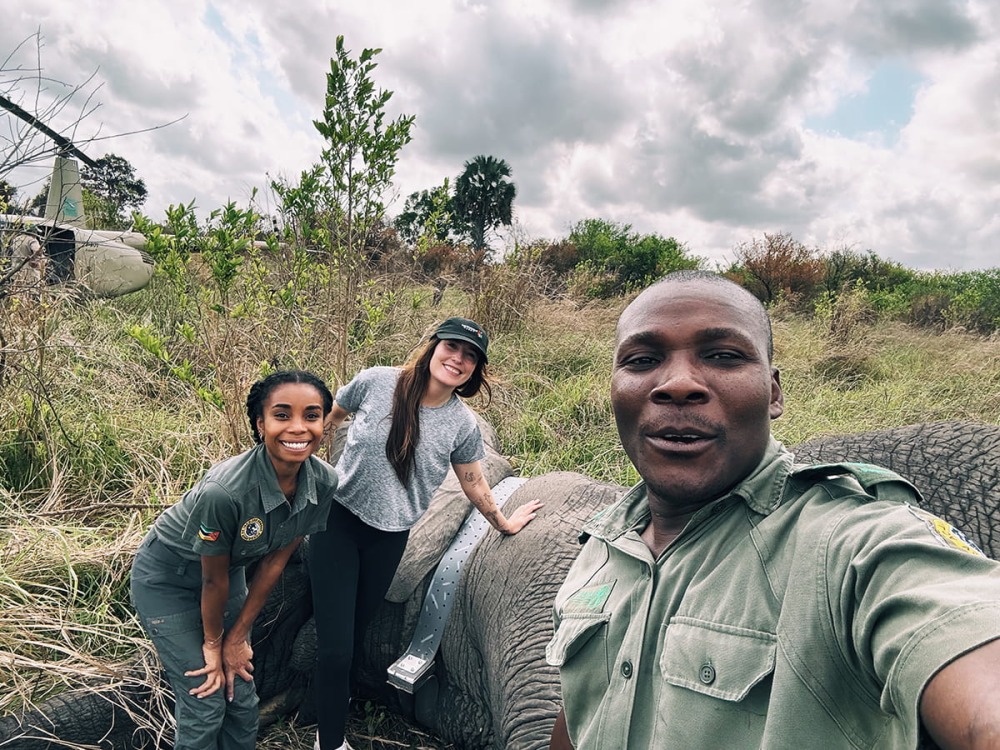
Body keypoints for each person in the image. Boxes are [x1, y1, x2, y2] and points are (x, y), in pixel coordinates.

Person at [547, 271, 1000, 749]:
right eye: (642, 360)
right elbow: (583, 716)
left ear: (774, 392)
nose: (678, 384)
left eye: (723, 355)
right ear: (614, 388)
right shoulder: (601, 547)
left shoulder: (852, 546)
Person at [310, 317, 543, 750]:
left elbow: (473, 481)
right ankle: (330, 741)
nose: (458, 359)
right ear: (433, 347)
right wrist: (304, 469)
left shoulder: (461, 425)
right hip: (337, 524)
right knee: (336, 646)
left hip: (390, 539)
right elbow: (331, 418)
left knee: (354, 634)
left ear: (475, 370)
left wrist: (504, 522)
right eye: (452, 347)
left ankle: (326, 704)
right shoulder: (376, 381)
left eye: (470, 356)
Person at [131, 370, 338, 750]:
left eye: (311, 415)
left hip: (230, 572)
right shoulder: (224, 491)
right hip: (169, 579)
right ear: (260, 424)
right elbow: (211, 580)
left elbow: (274, 562)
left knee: (240, 692)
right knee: (206, 697)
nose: (298, 427)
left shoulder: (323, 482)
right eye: (281, 415)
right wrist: (215, 644)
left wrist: (238, 638)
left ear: (324, 422)